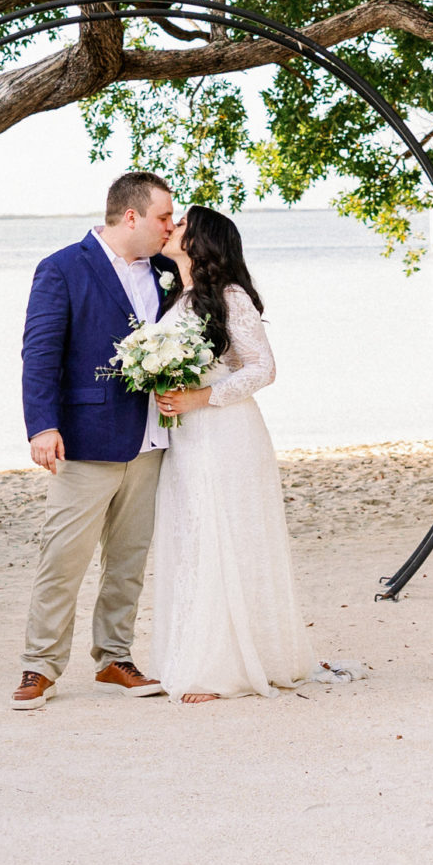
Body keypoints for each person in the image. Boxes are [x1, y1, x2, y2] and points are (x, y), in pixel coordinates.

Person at [14, 171, 180, 710]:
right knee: (63, 557)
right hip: (84, 438)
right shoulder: (63, 268)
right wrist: (42, 425)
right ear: (130, 216)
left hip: (152, 439)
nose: (170, 226)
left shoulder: (165, 270)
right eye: (162, 217)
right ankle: (40, 666)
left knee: (128, 560)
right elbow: (39, 354)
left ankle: (114, 656)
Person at [141, 207, 316, 702]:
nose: (170, 228)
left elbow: (262, 368)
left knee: (223, 537)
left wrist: (201, 396)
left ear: (200, 241)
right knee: (194, 535)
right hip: (188, 436)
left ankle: (223, 670)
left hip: (226, 430)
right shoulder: (180, 297)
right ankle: (194, 656)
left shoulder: (230, 297)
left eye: (179, 225)